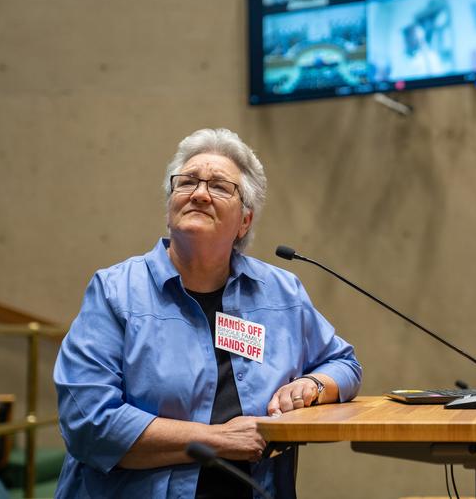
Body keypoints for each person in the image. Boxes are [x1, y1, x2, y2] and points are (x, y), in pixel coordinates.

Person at [53, 128, 362, 498]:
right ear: (170, 208)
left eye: (218, 186)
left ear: (244, 221)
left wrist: (312, 386)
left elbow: (344, 364)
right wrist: (219, 440)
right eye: (187, 183)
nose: (199, 193)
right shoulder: (115, 291)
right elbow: (87, 422)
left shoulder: (281, 291)